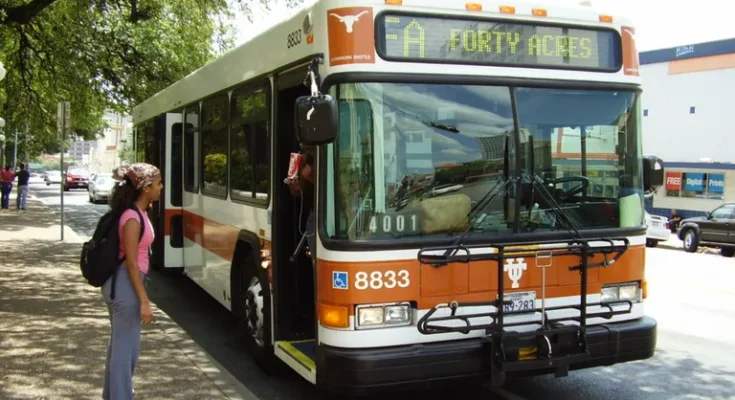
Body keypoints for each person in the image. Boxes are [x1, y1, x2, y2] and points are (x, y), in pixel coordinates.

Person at [102, 162, 163, 400]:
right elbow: (130, 262)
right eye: (158, 183)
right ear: (146, 187)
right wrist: (144, 300)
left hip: (125, 285)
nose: (161, 187)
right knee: (126, 351)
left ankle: (112, 395)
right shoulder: (132, 218)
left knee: (121, 346)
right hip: (125, 286)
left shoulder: (139, 213)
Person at [288, 144, 316, 263]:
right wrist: (295, 187)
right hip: (313, 214)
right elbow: (299, 194)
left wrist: (313, 178)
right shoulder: (304, 160)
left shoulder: (329, 155)